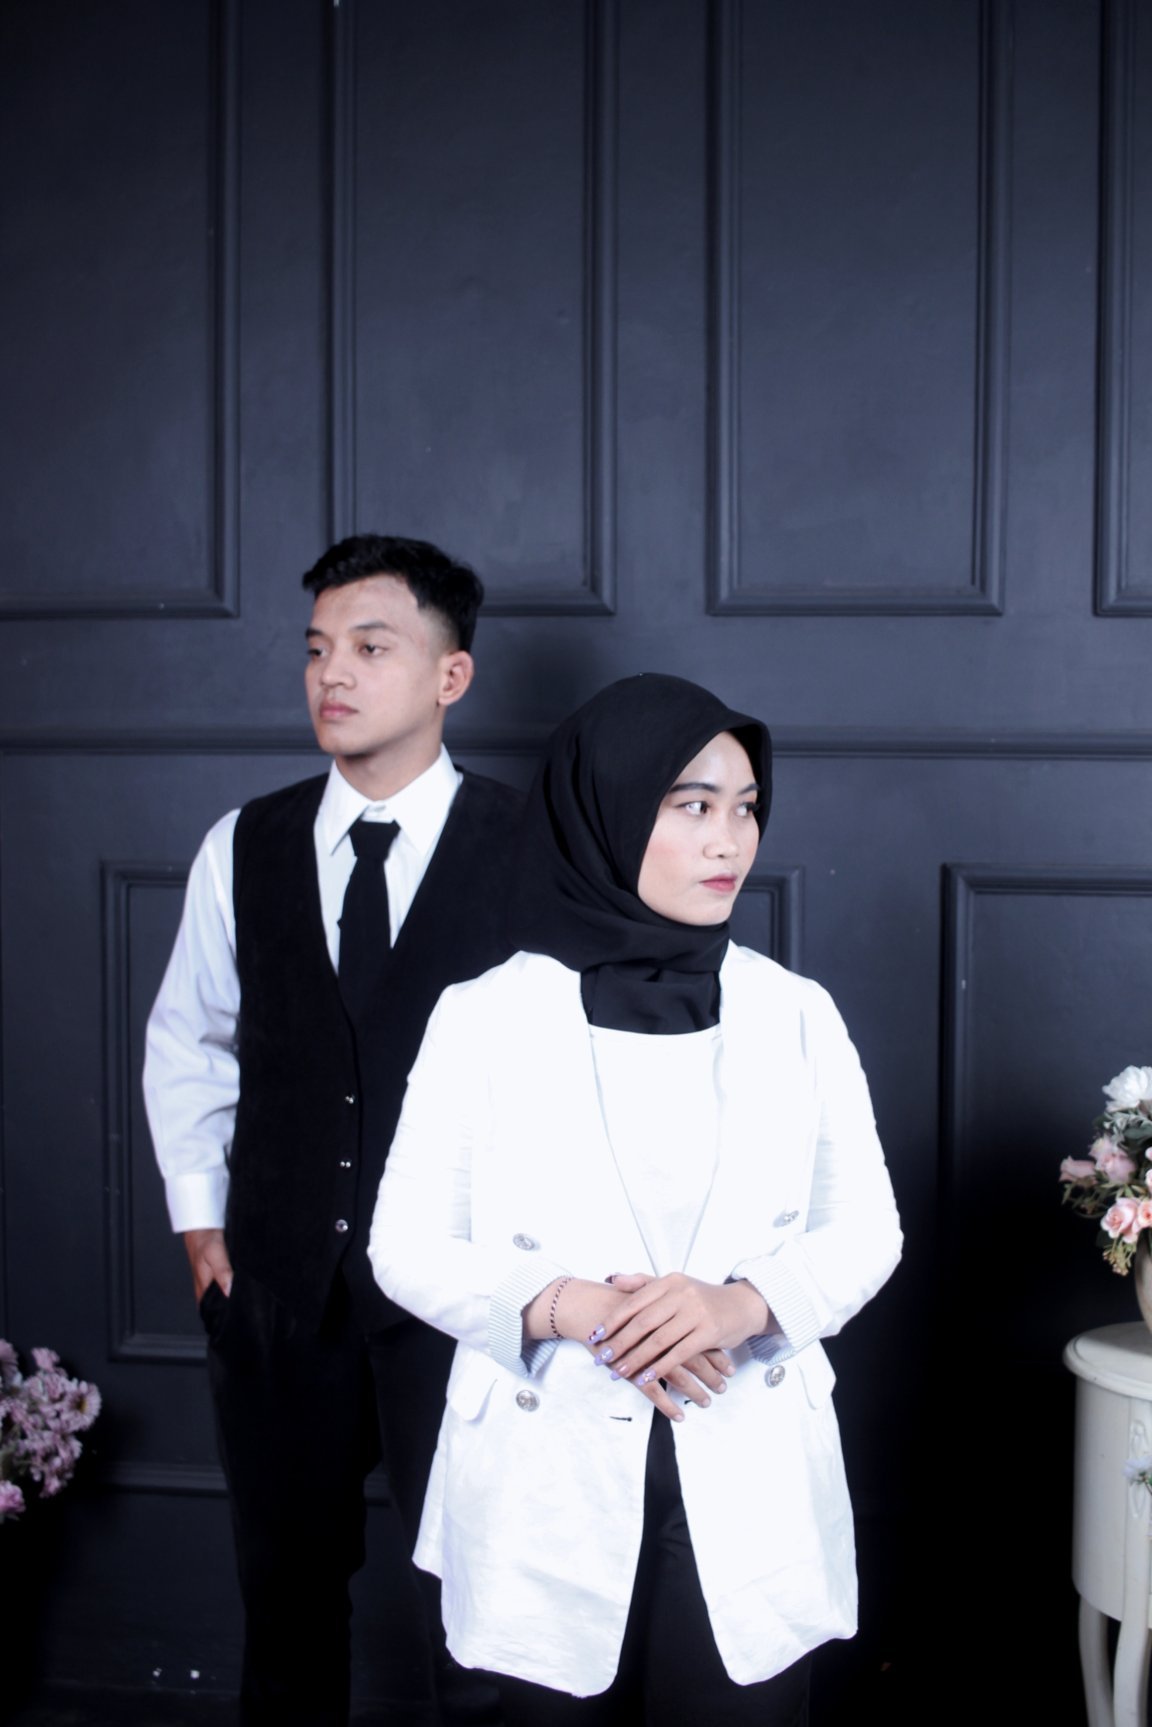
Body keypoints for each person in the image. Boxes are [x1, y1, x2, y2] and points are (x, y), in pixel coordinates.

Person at [367, 672, 902, 1726]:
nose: (729, 840)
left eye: (745, 806)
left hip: (746, 1462)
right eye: (692, 804)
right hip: (541, 1475)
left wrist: (739, 1304)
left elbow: (868, 1228)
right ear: (603, 809)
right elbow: (403, 1244)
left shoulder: (798, 1013)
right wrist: (572, 1305)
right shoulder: (481, 1017)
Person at [143, 534, 520, 1727]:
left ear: (450, 675)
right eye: (315, 650)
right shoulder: (241, 844)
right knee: (286, 1608)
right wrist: (200, 1219)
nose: (332, 675)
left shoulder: (530, 850)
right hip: (275, 1289)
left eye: (368, 646)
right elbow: (190, 1037)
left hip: (465, 1297)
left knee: (483, 1617)